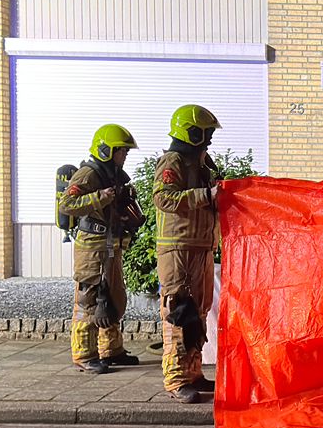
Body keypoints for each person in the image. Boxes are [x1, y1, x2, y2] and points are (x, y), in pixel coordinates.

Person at [153, 103, 223, 403]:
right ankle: (176, 378)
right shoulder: (174, 161)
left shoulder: (201, 163)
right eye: (205, 133)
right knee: (180, 312)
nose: (208, 139)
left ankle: (193, 372)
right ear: (191, 132)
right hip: (178, 248)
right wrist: (206, 195)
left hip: (199, 247)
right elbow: (163, 198)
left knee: (200, 311)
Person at [62, 122, 144, 374]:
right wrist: (100, 197)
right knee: (89, 299)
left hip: (110, 244)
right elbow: (67, 204)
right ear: (107, 150)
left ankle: (111, 349)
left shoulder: (114, 173)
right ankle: (84, 354)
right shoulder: (88, 174)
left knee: (113, 297)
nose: (125, 155)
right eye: (122, 151)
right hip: (92, 246)